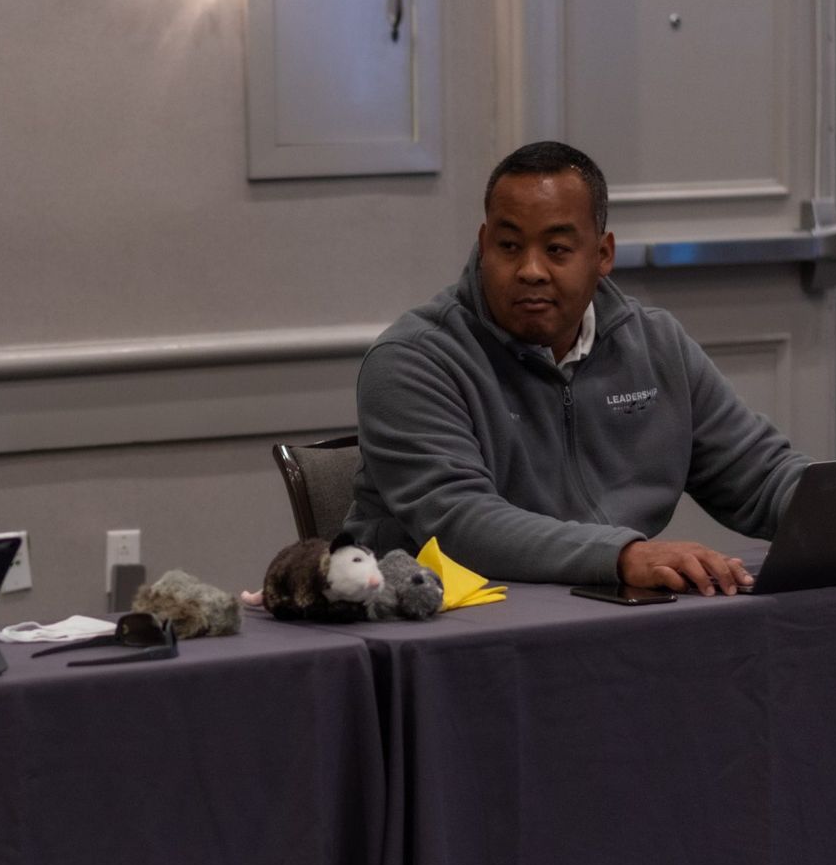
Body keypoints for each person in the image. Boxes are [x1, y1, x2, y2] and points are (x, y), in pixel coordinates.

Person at [345, 140, 808, 596]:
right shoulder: (413, 361)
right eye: (508, 246)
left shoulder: (655, 344)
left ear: (602, 254)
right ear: (484, 246)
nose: (530, 270)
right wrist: (622, 556)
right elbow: (461, 523)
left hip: (612, 612)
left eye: (558, 249)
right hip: (453, 625)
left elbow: (760, 477)